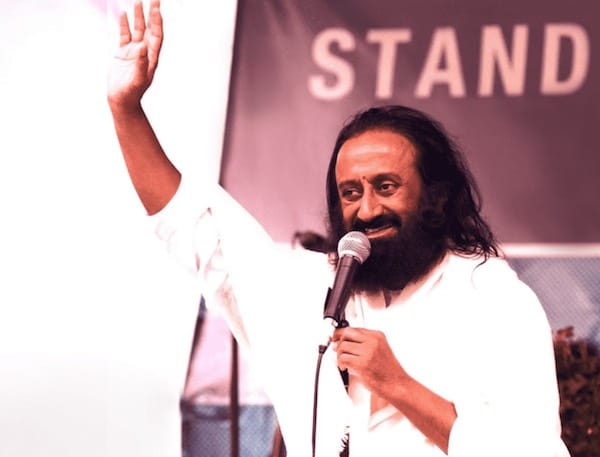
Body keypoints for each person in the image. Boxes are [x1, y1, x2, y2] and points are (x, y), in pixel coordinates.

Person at [107, 2, 571, 456]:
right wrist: (126, 110)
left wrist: (397, 384)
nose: (367, 210)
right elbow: (194, 227)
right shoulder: (309, 288)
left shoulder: (491, 297)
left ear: (436, 196)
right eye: (350, 193)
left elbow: (531, 450)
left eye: (386, 187)